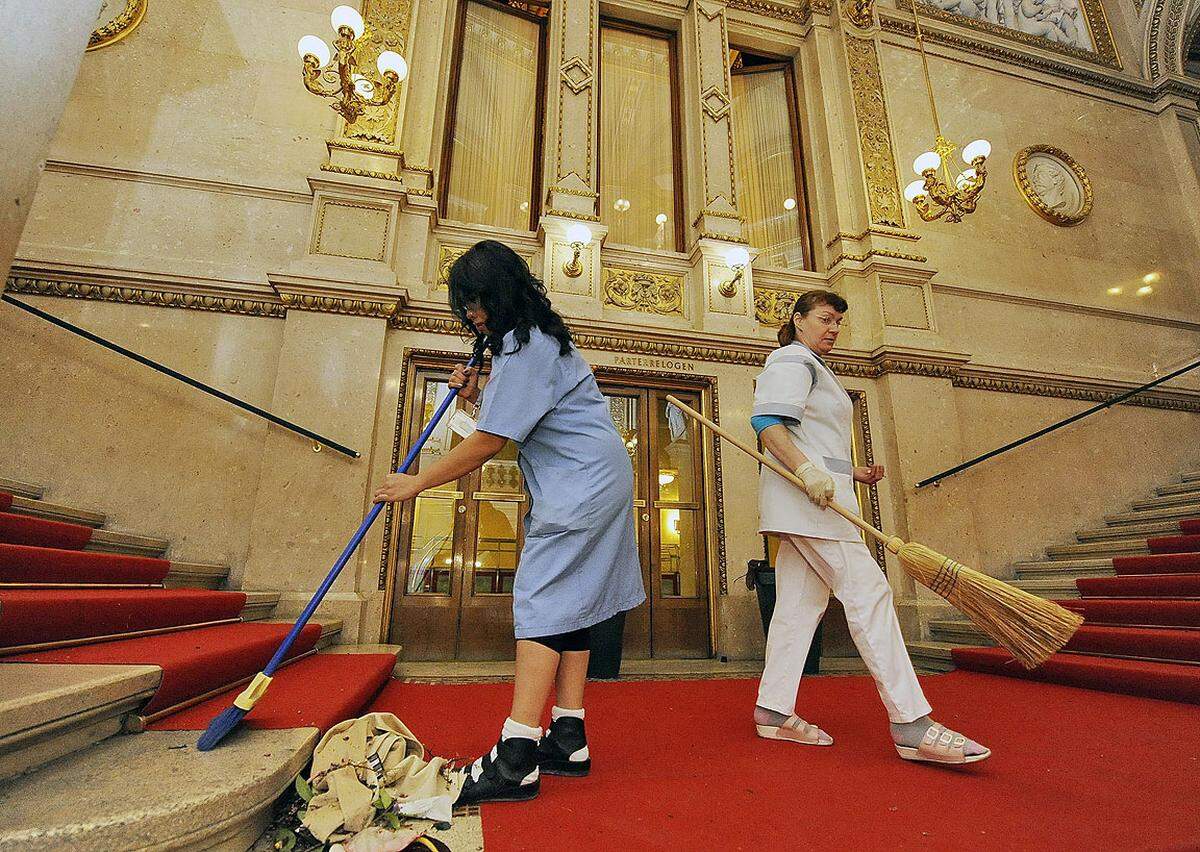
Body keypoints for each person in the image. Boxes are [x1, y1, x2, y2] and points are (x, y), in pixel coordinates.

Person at [372, 239, 646, 803]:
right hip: (592, 475)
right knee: (571, 604)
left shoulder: (525, 345)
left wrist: (418, 481)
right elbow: (513, 420)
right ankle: (568, 735)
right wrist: (477, 393)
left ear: (503, 293)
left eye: (478, 301)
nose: (472, 314)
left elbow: (494, 438)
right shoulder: (535, 342)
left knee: (542, 602)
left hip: (580, 485)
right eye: (465, 304)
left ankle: (517, 755)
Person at [750, 289, 989, 765]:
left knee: (798, 610)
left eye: (839, 321)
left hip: (819, 497)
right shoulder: (791, 361)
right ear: (798, 320)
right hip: (811, 504)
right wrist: (806, 472)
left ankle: (772, 711)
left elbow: (811, 439)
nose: (833, 327)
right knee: (870, 594)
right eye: (824, 318)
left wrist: (847, 471)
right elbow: (767, 423)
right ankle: (911, 722)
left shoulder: (816, 368)